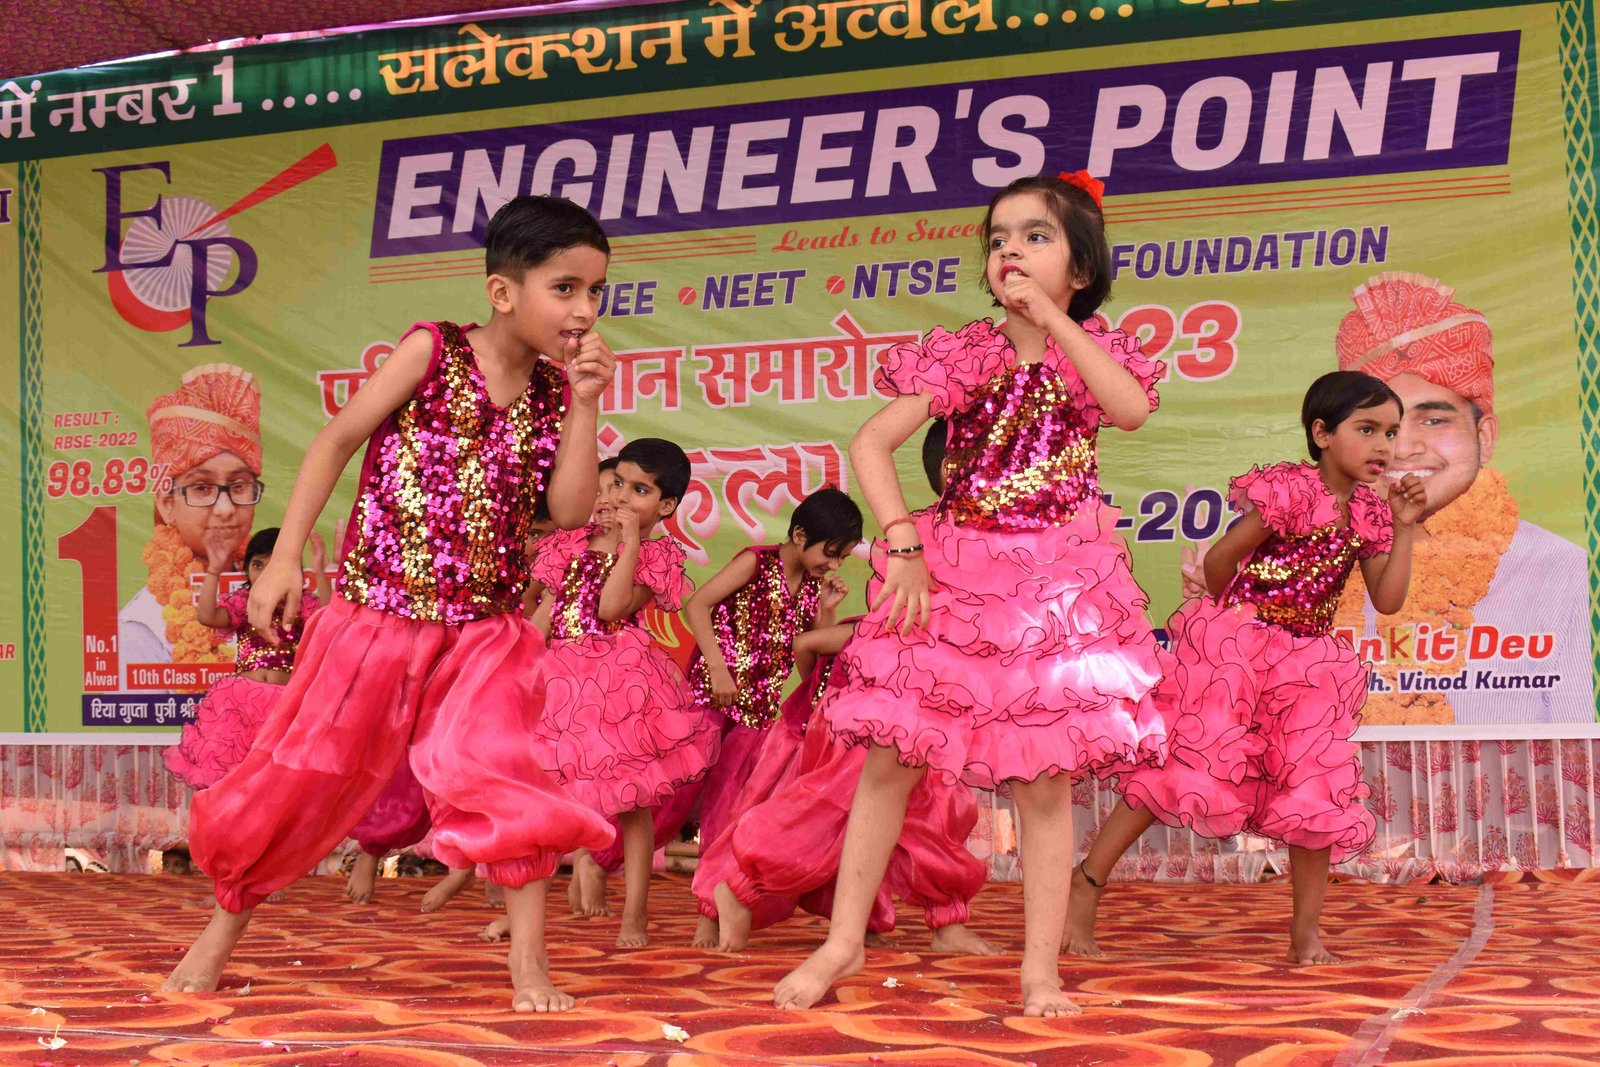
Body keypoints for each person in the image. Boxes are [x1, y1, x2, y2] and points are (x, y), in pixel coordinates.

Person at [162, 195, 619, 1013]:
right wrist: (285, 559)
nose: (584, 310)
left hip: (486, 629)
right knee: (302, 774)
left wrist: (587, 404)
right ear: (503, 291)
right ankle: (220, 929)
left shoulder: (556, 394)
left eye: (596, 292)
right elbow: (336, 441)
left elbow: (571, 510)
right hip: (379, 613)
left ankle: (528, 961)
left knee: (506, 771)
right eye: (565, 288)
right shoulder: (432, 351)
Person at [773, 171, 1167, 1016]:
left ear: (1081, 268)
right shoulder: (968, 353)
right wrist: (901, 541)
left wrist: (1054, 319)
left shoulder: (1089, 354)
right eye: (998, 239)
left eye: (1035, 236)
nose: (1010, 251)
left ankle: (1039, 971)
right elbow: (872, 443)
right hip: (955, 572)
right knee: (890, 760)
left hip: (1053, 584)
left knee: (1044, 783)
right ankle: (842, 941)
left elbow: (1130, 408)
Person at [1071, 371, 1427, 965]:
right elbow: (1220, 561)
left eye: (1391, 433)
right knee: (1182, 768)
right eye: (1367, 430)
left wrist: (1405, 525)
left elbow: (1387, 601)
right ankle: (1085, 885)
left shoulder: (1369, 512)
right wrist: (1235, 627)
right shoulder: (1291, 490)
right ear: (1322, 434)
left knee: (1314, 789)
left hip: (1308, 668)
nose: (1383, 446)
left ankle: (1305, 932)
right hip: (1238, 653)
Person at [694, 421, 996, 956]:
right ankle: (738, 890)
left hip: (936, 700)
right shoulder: (915, 539)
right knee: (823, 808)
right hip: (881, 705)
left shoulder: (993, 538)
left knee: (936, 810)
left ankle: (941, 920)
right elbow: (841, 637)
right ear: (958, 471)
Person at [469, 439, 718, 949]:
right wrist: (520, 667)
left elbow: (610, 608)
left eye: (640, 490)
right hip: (557, 675)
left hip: (617, 678)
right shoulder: (570, 543)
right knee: (541, 797)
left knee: (633, 805)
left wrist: (630, 543)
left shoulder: (655, 555)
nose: (621, 496)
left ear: (666, 506)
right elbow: (544, 611)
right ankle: (522, 916)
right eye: (617, 483)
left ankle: (634, 914)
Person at [1329, 272, 1592, 725]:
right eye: (1373, 427)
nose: (1403, 448)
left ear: (1484, 437)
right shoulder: (1308, 566)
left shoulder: (1560, 570)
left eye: (1433, 420)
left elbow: (1580, 751)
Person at [161, 527, 331, 790]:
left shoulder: (302, 604)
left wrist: (320, 572)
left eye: (272, 565)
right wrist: (214, 571)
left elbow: (328, 621)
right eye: (257, 565)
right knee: (237, 780)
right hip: (241, 705)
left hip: (287, 702)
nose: (264, 572)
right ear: (246, 569)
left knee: (278, 782)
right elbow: (207, 617)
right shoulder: (244, 602)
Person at [120, 364, 264, 668]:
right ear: (167, 504)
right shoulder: (142, 630)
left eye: (239, 486)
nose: (225, 509)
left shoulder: (271, 591)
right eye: (202, 488)